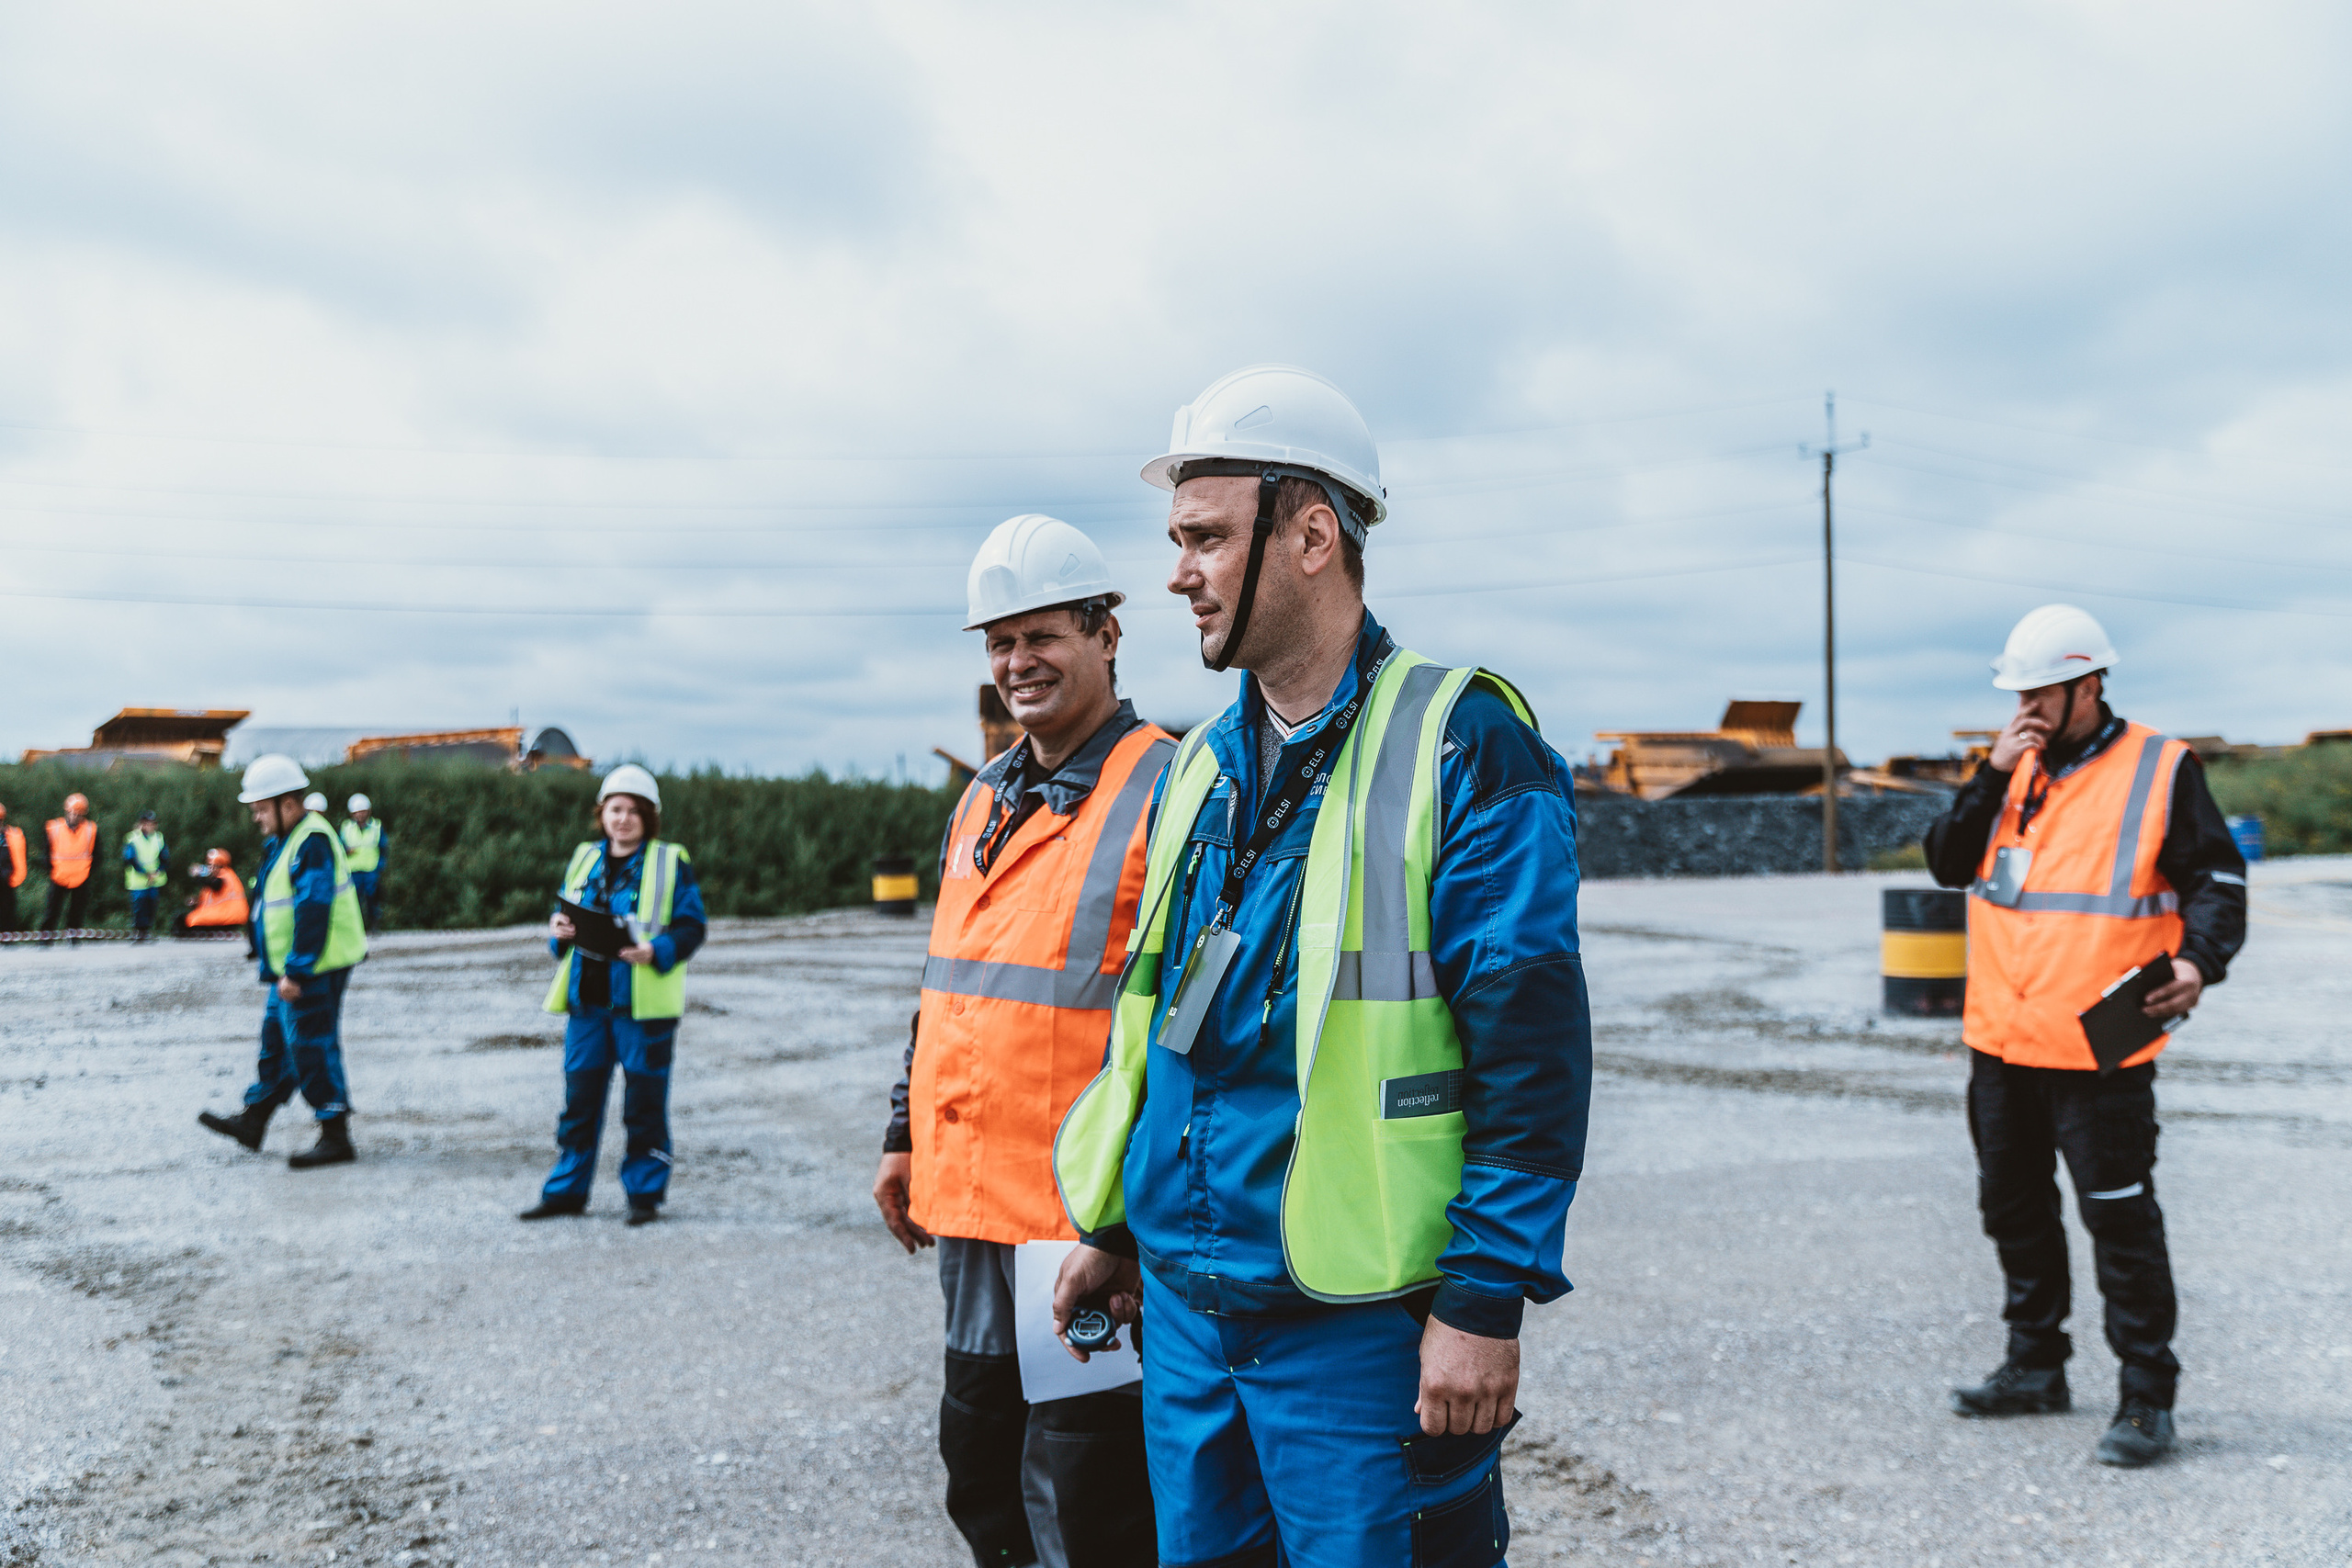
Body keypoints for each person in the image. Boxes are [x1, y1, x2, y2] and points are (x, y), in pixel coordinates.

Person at [1050, 366, 1593, 1568]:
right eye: (1177, 540)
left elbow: (1532, 1052)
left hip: (1360, 1334)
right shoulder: (1196, 769)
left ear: (1309, 535)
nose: (1178, 571)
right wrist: (1121, 1226)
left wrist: (1482, 1299)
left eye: (1204, 538)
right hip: (1192, 1318)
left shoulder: (1463, 741)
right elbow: (1165, 1023)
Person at [874, 515, 1170, 1568]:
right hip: (969, 1211)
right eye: (998, 643)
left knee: (1087, 1496)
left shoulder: (1167, 788)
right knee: (982, 1470)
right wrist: (903, 1133)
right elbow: (945, 989)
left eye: (1041, 635)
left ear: (1105, 634)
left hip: (1075, 1223)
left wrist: (1128, 1220)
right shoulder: (981, 800)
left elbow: (1185, 1031)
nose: (1016, 663)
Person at [1923, 604, 2246, 1468]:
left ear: (2089, 685)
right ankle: (2036, 1366)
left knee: (2119, 1218)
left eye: (2041, 691)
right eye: (2017, 691)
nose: (2026, 705)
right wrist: (1990, 773)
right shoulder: (2009, 768)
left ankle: (2147, 1396)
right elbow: (1949, 863)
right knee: (2013, 1207)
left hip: (2100, 1044)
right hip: (2001, 1036)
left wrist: (2201, 961)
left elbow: (2215, 877)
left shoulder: (2160, 767)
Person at [521, 764, 706, 1226]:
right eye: (615, 809)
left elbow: (691, 927)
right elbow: (564, 920)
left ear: (648, 817)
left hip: (641, 1009)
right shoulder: (584, 857)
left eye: (633, 811)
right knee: (579, 1104)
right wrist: (557, 931)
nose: (623, 819)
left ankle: (644, 1196)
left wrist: (656, 950)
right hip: (588, 1004)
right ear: (602, 813)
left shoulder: (669, 861)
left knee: (644, 1105)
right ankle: (566, 1192)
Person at [196, 755, 370, 1168]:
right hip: (293, 968)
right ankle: (254, 1120)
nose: (256, 817)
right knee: (277, 1040)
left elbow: (313, 907)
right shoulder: (286, 841)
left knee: (311, 1042)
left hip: (313, 967)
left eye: (260, 809)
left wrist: (296, 969)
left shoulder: (311, 840)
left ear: (287, 804)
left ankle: (335, 1135)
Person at [40, 793, 97, 942]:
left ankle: (73, 938)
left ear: (83, 814)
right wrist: (51, 871)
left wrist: (89, 872)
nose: (75, 816)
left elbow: (97, 854)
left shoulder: (91, 829)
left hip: (81, 876)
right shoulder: (54, 827)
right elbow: (46, 852)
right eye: (73, 812)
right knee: (52, 910)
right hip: (59, 875)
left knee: (77, 910)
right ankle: (46, 939)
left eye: (79, 813)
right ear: (67, 811)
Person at [174, 849, 251, 938]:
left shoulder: (224, 875)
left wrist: (198, 877)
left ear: (218, 864)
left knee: (189, 919)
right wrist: (196, 902)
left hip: (226, 915)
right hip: (228, 914)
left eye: (211, 865)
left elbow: (215, 885)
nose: (209, 867)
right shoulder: (226, 875)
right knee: (185, 918)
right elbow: (215, 897)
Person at [123, 809, 171, 943]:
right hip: (139, 880)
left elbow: (165, 858)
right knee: (139, 907)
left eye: (153, 823)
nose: (151, 826)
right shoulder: (132, 838)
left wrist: (157, 871)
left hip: (154, 880)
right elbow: (129, 859)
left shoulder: (158, 837)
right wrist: (145, 873)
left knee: (151, 906)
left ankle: (147, 932)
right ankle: (138, 932)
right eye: (148, 823)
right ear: (142, 824)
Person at [340, 794, 386, 931]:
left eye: (362, 811)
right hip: (352, 870)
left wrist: (380, 867)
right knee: (354, 901)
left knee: (373, 898)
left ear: (368, 811)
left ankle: (374, 925)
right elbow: (338, 846)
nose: (360, 815)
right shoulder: (346, 827)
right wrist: (346, 851)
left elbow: (383, 848)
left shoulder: (377, 826)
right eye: (357, 812)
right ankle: (357, 928)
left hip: (371, 870)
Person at [0, 802, 25, 935]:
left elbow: (18, 857)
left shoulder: (10, 836)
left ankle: (9, 939)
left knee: (8, 910)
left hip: (6, 880)